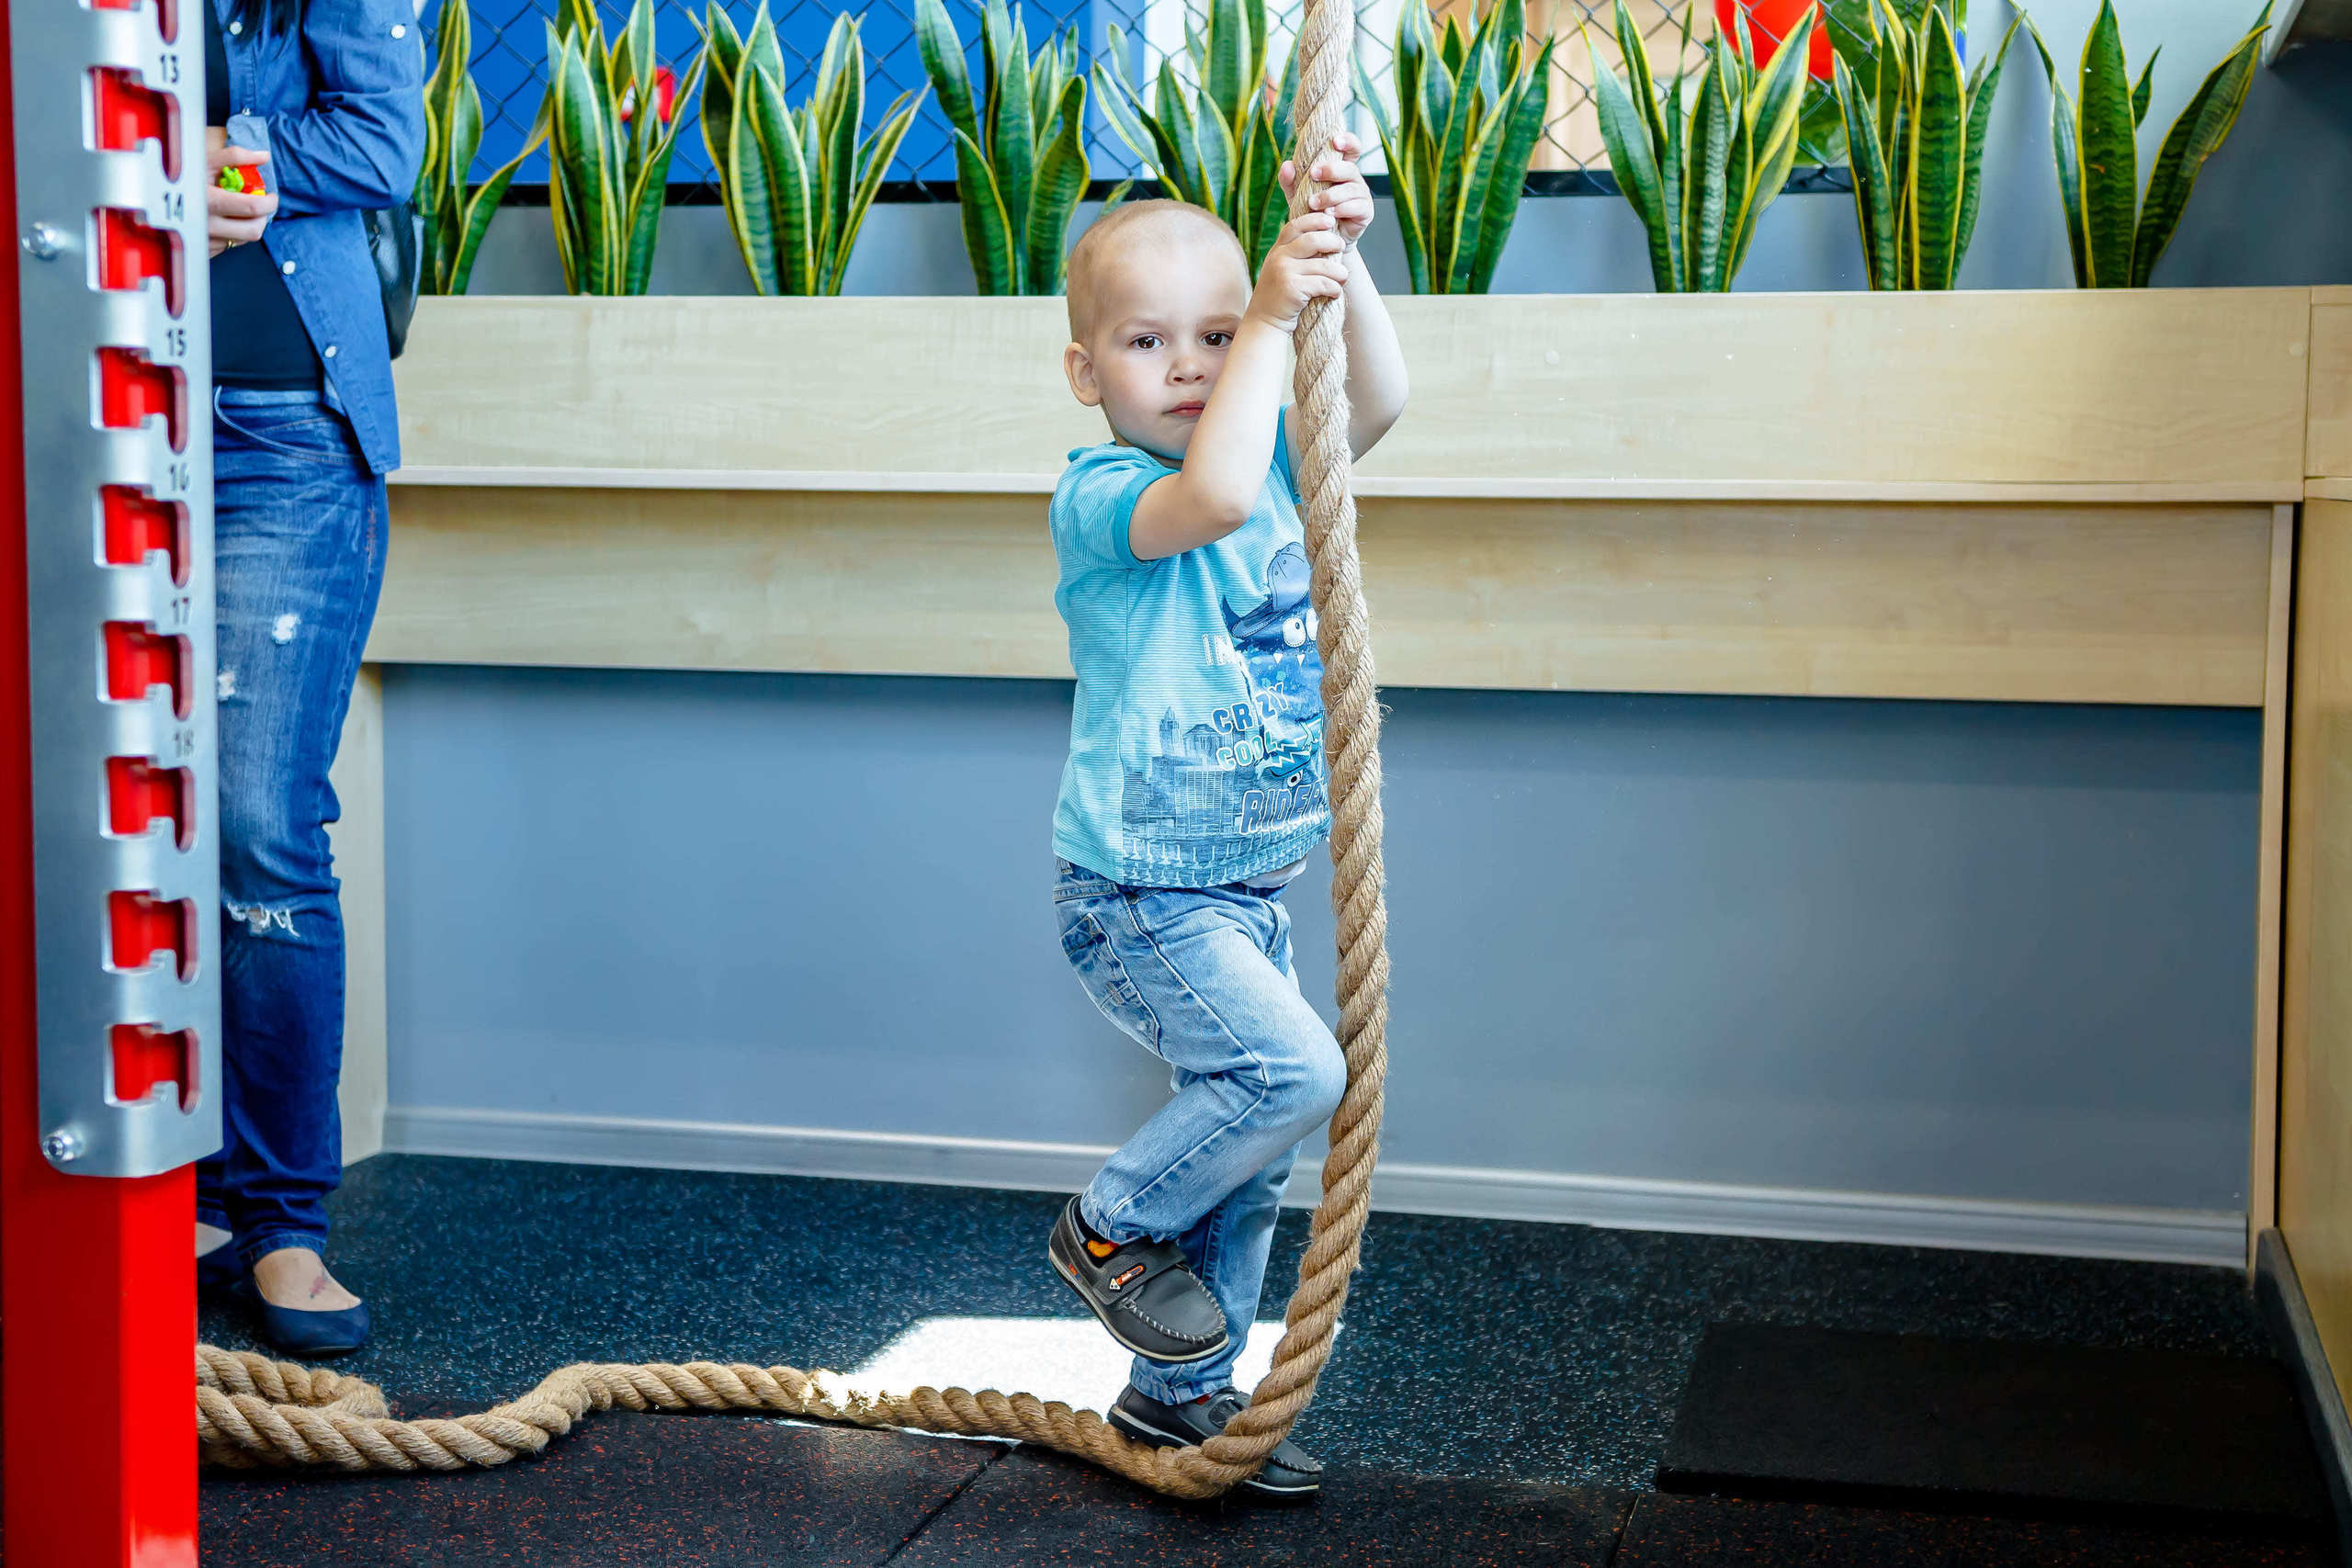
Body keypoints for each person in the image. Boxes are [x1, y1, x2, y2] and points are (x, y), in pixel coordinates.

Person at [1042, 139, 1408, 1496]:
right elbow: (1218, 494)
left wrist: (1338, 263)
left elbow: (1376, 399)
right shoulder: (1104, 497)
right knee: (1289, 1079)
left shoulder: (1281, 461)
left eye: (1213, 333)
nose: (1190, 364)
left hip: (1245, 884)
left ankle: (1175, 1399)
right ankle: (1107, 1226)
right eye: (1149, 341)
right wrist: (1265, 314)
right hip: (1139, 888)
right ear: (1089, 374)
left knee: (1249, 1167)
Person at [191, 0, 424, 1357]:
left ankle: (278, 1218)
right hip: (88, 412)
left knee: (257, 834)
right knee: (108, 839)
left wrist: (216, 161)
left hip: (277, 438)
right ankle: (180, 1189)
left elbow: (378, 139)